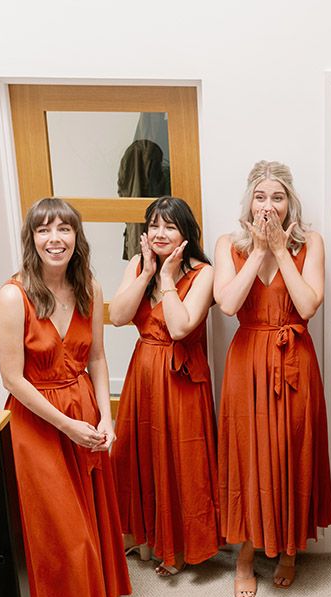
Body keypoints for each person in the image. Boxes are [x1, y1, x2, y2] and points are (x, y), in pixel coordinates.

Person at [0, 198, 131, 597]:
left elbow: (95, 358)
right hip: (39, 424)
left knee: (88, 511)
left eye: (64, 229)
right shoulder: (14, 296)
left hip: (84, 412)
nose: (55, 238)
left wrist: (105, 418)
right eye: (44, 230)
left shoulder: (89, 286)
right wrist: (68, 425)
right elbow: (13, 379)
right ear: (32, 239)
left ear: (77, 237)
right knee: (56, 524)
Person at [214, 160, 331, 597]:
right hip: (247, 363)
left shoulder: (312, 243)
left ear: (290, 204)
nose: (269, 205)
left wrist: (282, 250)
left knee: (289, 453)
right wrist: (260, 251)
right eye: (261, 196)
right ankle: (245, 555)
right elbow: (227, 303)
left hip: (294, 364)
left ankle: (288, 549)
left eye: (278, 197)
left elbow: (307, 306)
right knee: (249, 459)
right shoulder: (228, 244)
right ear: (249, 201)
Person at [109, 196, 220, 576]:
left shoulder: (204, 272)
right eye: (153, 225)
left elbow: (180, 327)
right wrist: (145, 274)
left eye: (169, 226)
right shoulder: (138, 264)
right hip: (143, 372)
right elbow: (119, 315)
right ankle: (146, 538)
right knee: (140, 453)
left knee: (182, 459)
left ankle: (183, 547)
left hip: (182, 375)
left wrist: (168, 279)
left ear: (186, 233)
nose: (159, 233)